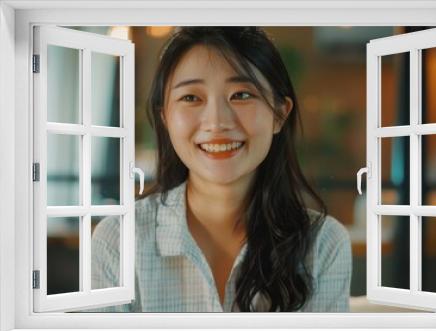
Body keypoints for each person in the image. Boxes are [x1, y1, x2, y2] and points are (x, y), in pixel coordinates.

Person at [88, 26, 352, 312]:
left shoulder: (323, 244)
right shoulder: (119, 240)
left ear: (279, 114)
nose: (216, 122)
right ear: (165, 117)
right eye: (191, 97)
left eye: (240, 95)